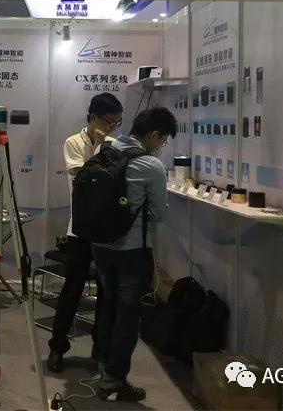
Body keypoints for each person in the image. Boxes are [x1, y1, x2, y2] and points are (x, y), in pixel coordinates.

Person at [93, 106, 176, 403]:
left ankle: (103, 366)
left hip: (100, 246)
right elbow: (159, 214)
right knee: (128, 316)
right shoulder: (151, 165)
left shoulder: (103, 151)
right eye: (162, 140)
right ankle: (113, 380)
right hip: (131, 250)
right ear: (153, 135)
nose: (161, 145)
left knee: (108, 306)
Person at [47, 93, 123, 373]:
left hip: (106, 230)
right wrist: (103, 150)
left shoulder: (114, 145)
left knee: (106, 291)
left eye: (117, 122)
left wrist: (106, 148)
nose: (112, 127)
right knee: (72, 289)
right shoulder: (73, 143)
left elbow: (113, 180)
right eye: (108, 121)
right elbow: (85, 178)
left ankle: (100, 349)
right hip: (79, 228)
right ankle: (57, 347)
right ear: (92, 117)